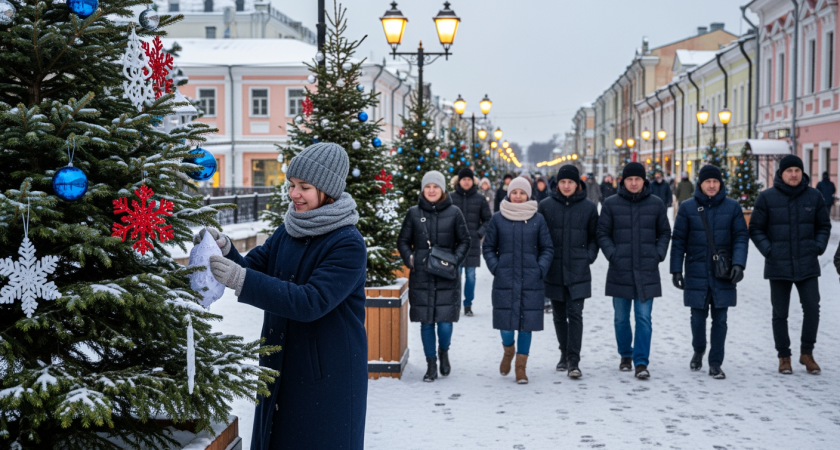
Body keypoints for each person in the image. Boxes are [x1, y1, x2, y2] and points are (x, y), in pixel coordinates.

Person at [199, 142, 367, 449]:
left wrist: (241, 279)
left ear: (327, 191)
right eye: (291, 185)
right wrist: (223, 247)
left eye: (304, 187)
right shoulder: (288, 230)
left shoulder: (347, 243)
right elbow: (252, 268)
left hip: (324, 376)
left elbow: (310, 301)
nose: (294, 194)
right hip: (281, 364)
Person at [749, 155, 831, 375]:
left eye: (797, 170)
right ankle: (784, 356)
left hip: (807, 263)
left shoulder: (814, 197)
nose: (793, 174)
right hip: (779, 264)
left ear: (802, 172)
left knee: (812, 308)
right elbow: (755, 228)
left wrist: (818, 246)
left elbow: (824, 225)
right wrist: (769, 250)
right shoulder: (767, 198)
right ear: (781, 173)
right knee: (780, 313)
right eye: (789, 171)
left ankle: (807, 353)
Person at [670, 165, 749, 380]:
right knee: (697, 317)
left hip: (723, 272)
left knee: (720, 319)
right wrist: (676, 270)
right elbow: (678, 241)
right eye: (708, 182)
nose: (712, 186)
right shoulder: (687, 208)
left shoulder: (732, 207)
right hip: (696, 271)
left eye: (715, 182)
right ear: (700, 184)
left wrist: (739, 264)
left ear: (720, 184)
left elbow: (741, 237)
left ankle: (715, 363)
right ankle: (699, 348)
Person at [597, 162, 671, 380]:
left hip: (646, 269)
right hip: (620, 269)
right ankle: (625, 355)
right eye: (630, 179)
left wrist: (658, 254)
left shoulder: (656, 204)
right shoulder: (611, 204)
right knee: (621, 318)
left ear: (644, 180)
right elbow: (602, 233)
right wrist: (613, 254)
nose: (634, 183)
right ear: (623, 180)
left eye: (637, 179)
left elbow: (665, 232)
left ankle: (641, 362)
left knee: (643, 317)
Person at [397, 170, 471, 382]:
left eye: (435, 187)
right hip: (422, 275)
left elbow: (465, 241)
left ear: (443, 189)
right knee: (426, 322)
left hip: (447, 276)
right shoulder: (413, 213)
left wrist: (454, 260)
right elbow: (403, 241)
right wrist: (411, 258)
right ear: (423, 189)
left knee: (446, 323)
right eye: (428, 186)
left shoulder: (455, 212)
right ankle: (431, 365)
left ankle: (443, 351)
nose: (431, 190)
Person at [483, 177, 553, 384]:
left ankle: (521, 367)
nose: (518, 196)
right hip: (505, 278)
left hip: (531, 280)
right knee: (505, 325)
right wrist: (497, 267)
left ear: (528, 195)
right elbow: (488, 248)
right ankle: (508, 350)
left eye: (523, 193)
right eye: (515, 192)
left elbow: (547, 248)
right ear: (509, 193)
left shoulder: (537, 219)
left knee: (526, 325)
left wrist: (540, 269)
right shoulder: (498, 218)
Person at [538, 165, 599, 379]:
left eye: (570, 182)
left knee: (575, 314)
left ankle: (574, 360)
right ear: (557, 184)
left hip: (578, 269)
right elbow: (540, 237)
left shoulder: (589, 208)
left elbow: (594, 237)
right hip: (554, 269)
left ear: (577, 184)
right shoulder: (545, 206)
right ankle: (563, 353)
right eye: (563, 182)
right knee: (558, 315)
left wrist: (588, 257)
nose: (566, 186)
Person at [451, 168, 492, 317]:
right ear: (459, 181)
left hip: (472, 243)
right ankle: (455, 304)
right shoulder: (451, 198)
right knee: (456, 274)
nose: (466, 182)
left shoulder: (480, 199)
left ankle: (468, 304)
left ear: (472, 181)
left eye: (469, 179)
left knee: (471, 275)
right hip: (455, 244)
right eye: (463, 179)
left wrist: (479, 233)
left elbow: (488, 219)